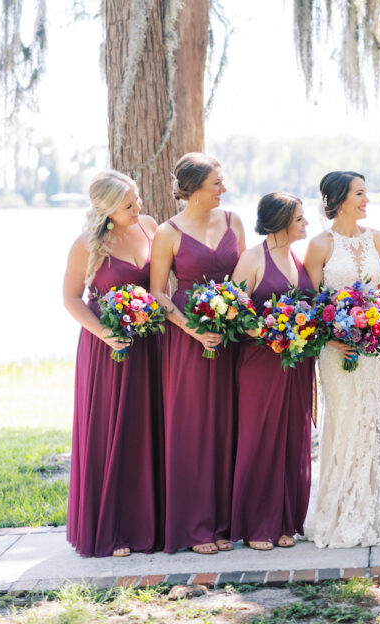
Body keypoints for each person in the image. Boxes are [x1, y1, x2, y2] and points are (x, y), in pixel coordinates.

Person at [149, 152, 246, 555]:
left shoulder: (233, 222)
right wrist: (192, 330)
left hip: (231, 336)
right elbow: (157, 292)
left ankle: (224, 523)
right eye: (215, 184)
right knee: (192, 427)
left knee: (229, 425)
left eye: (222, 182)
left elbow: (244, 278)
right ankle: (194, 527)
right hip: (189, 339)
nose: (223, 189)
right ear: (192, 189)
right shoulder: (168, 233)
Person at [64, 170, 163, 558]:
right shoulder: (87, 244)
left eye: (136, 198)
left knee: (148, 427)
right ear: (106, 211)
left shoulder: (151, 227)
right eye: (127, 205)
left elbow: (161, 286)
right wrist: (104, 334)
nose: (138, 208)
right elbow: (71, 298)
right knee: (112, 430)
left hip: (151, 344)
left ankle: (151, 523)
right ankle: (115, 527)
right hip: (109, 349)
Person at [303, 170, 380, 548]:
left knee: (373, 421)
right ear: (339, 199)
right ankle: (336, 512)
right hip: (335, 350)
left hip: (375, 351)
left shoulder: (379, 240)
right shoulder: (319, 245)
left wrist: (378, 326)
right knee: (342, 422)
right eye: (359, 194)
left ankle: (373, 512)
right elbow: (312, 304)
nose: (366, 200)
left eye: (366, 193)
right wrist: (333, 337)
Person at [230, 193, 314, 550]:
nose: (306, 225)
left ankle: (285, 521)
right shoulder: (252, 258)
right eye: (299, 219)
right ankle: (257, 524)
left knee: (292, 440)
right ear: (280, 222)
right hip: (261, 364)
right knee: (261, 438)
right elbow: (233, 312)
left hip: (296, 364)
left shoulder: (296, 257)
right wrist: (271, 333)